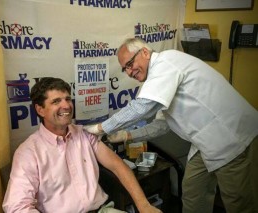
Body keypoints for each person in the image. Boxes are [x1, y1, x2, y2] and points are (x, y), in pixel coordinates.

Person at [83, 37, 258, 213]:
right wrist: (127, 136)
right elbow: (161, 125)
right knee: (192, 192)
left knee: (239, 203)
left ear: (144, 52)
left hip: (232, 136)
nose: (128, 72)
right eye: (125, 69)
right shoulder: (158, 81)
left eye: (130, 63)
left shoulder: (166, 62)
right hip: (206, 141)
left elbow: (141, 107)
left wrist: (100, 128)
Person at [2, 77, 163, 213]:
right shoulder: (28, 152)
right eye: (56, 101)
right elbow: (17, 206)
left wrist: (144, 205)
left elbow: (118, 166)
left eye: (67, 99)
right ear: (40, 109)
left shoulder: (84, 134)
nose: (66, 105)